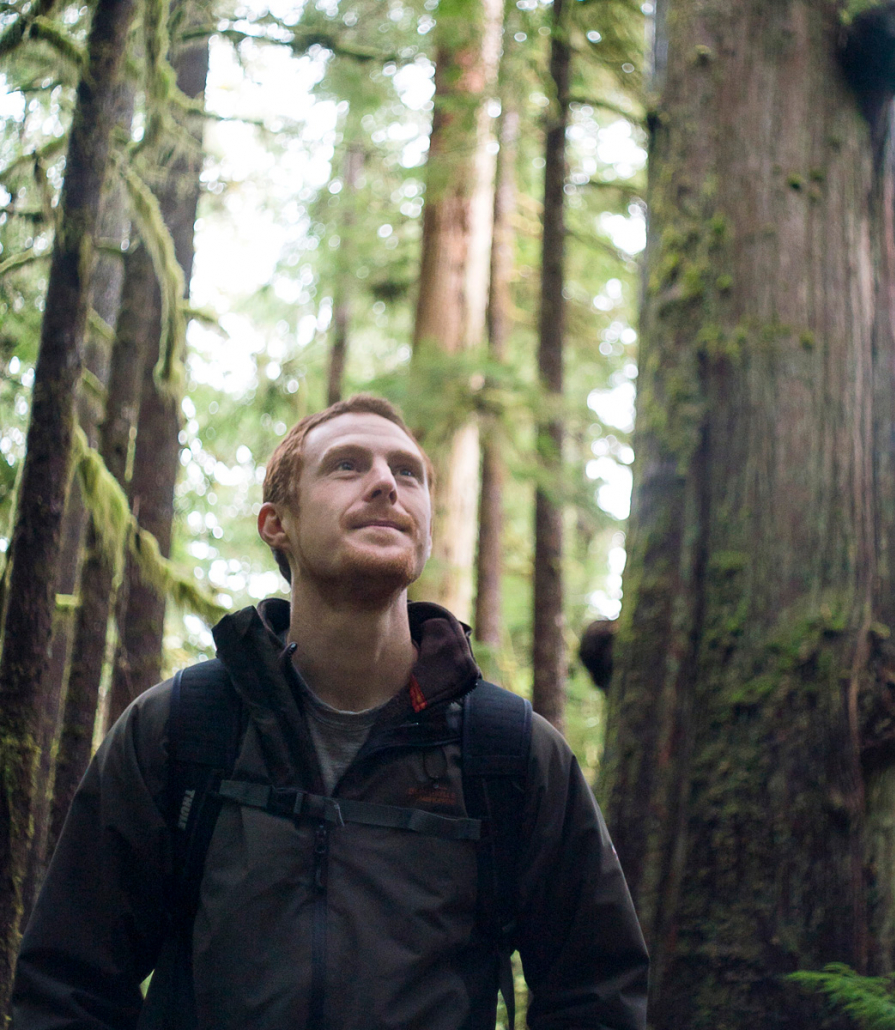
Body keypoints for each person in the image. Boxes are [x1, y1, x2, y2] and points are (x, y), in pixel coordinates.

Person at [13, 394, 648, 1030]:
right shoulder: (182, 729)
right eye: (347, 465)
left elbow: (597, 993)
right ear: (276, 523)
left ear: (426, 520)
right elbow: (71, 984)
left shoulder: (509, 752)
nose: (384, 485)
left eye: (408, 474)